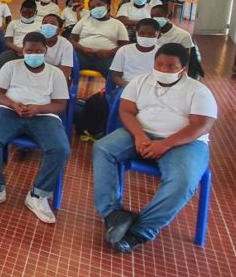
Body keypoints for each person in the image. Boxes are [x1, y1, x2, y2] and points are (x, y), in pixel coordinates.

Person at [92, 43, 217, 254]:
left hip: (184, 142)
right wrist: (139, 135)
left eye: (171, 66)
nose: (164, 69)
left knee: (183, 179)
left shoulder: (198, 91)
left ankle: (141, 230)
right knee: (103, 149)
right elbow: (127, 111)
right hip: (142, 133)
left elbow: (201, 125)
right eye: (159, 64)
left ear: (183, 69)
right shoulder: (140, 82)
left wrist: (165, 144)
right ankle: (113, 214)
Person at [0, 32, 71, 224]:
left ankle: (38, 195)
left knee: (60, 148)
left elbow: (60, 105)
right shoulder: (11, 66)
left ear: (46, 50)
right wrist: (12, 104)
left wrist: (39, 108)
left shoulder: (56, 73)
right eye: (29, 51)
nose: (33, 55)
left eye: (38, 51)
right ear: (22, 50)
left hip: (43, 115)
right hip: (10, 111)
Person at [0, 0, 42, 111]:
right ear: (20, 11)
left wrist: (29, 52)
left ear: (35, 12)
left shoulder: (40, 25)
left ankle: (35, 99)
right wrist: (19, 49)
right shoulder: (13, 24)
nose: (27, 16)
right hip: (15, 51)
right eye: (24, 13)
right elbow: (8, 41)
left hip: (33, 53)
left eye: (30, 13)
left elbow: (42, 42)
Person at [70, 0, 129, 76]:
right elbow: (72, 39)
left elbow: (124, 45)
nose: (96, 8)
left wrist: (109, 52)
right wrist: (83, 49)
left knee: (114, 74)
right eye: (92, 7)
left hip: (107, 57)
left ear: (107, 6)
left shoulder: (118, 24)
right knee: (69, 66)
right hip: (83, 55)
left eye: (99, 5)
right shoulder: (84, 21)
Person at [109, 19, 160, 89]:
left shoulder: (161, 52)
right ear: (136, 33)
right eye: (142, 33)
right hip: (127, 86)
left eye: (151, 34)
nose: (146, 36)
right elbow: (115, 76)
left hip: (152, 87)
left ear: (158, 34)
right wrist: (130, 87)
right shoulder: (124, 50)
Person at [40, 14, 74, 82]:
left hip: (57, 76)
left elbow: (66, 72)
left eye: (53, 24)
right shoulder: (35, 41)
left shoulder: (66, 45)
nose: (48, 26)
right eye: (45, 23)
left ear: (60, 30)